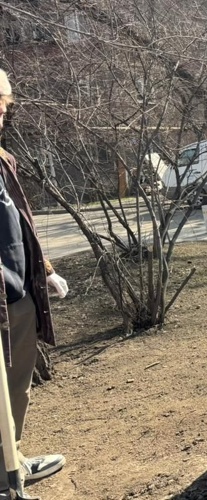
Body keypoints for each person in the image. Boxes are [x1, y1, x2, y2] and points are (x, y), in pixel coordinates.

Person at [0, 68, 69, 492]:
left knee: (16, 389)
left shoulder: (2, 159)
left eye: (3, 105)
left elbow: (22, 223)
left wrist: (45, 271)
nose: (2, 114)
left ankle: (15, 461)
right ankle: (8, 481)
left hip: (19, 296)